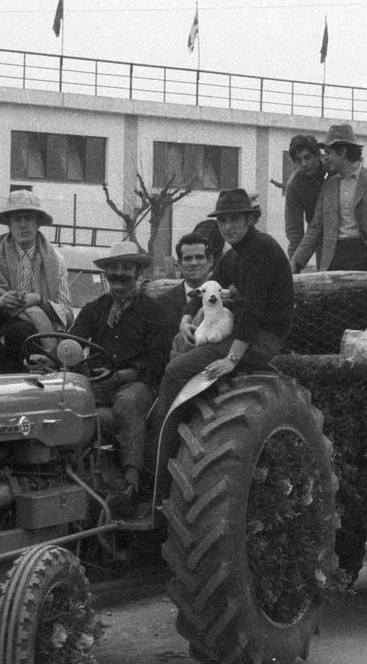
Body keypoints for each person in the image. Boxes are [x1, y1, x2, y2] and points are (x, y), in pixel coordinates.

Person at [153, 187, 293, 421]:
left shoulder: (262, 248)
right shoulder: (233, 255)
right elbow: (206, 288)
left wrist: (231, 359)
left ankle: (158, 449)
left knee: (175, 371)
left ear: (249, 219)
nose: (228, 226)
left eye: (235, 219)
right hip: (241, 334)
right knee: (177, 356)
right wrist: (186, 320)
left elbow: (253, 310)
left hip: (262, 338)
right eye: (223, 220)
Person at [67, 241, 172, 507]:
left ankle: (132, 482)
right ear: (106, 275)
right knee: (70, 405)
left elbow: (157, 361)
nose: (119, 275)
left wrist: (121, 375)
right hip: (99, 384)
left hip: (137, 384)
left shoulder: (155, 313)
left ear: (138, 275)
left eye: (126, 268)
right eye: (114, 269)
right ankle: (73, 478)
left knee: (126, 403)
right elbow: (74, 341)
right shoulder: (95, 309)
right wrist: (62, 353)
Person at [0, 190, 75, 374]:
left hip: (37, 339)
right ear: (9, 225)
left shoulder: (56, 260)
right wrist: (1, 301)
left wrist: (38, 300)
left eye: (28, 218)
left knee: (21, 336)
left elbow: (68, 316)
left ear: (38, 223)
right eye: (17, 219)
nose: (23, 225)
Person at [290, 123, 367, 273]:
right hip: (335, 258)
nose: (324, 158)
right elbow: (316, 227)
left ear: (343, 152)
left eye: (328, 153)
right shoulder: (329, 185)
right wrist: (296, 261)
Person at [156, 231, 216, 356]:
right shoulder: (162, 302)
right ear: (179, 264)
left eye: (199, 257)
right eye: (188, 258)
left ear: (210, 261)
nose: (194, 263)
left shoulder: (221, 297)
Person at [282, 134, 325, 267]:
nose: (304, 164)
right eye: (299, 160)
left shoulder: (333, 172)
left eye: (308, 157)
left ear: (318, 155)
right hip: (320, 237)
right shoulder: (294, 185)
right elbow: (295, 231)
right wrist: (294, 263)